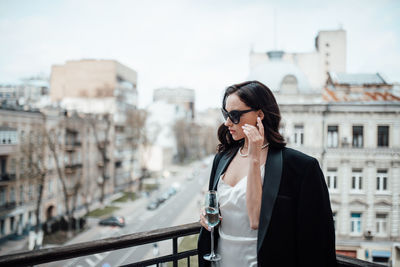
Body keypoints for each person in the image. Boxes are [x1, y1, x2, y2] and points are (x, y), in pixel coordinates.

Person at [198, 81, 337, 267]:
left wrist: (255, 157)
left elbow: (256, 220)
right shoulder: (222, 158)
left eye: (235, 115)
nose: (227, 122)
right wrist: (206, 215)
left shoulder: (301, 168)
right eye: (226, 114)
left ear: (260, 115)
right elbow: (218, 206)